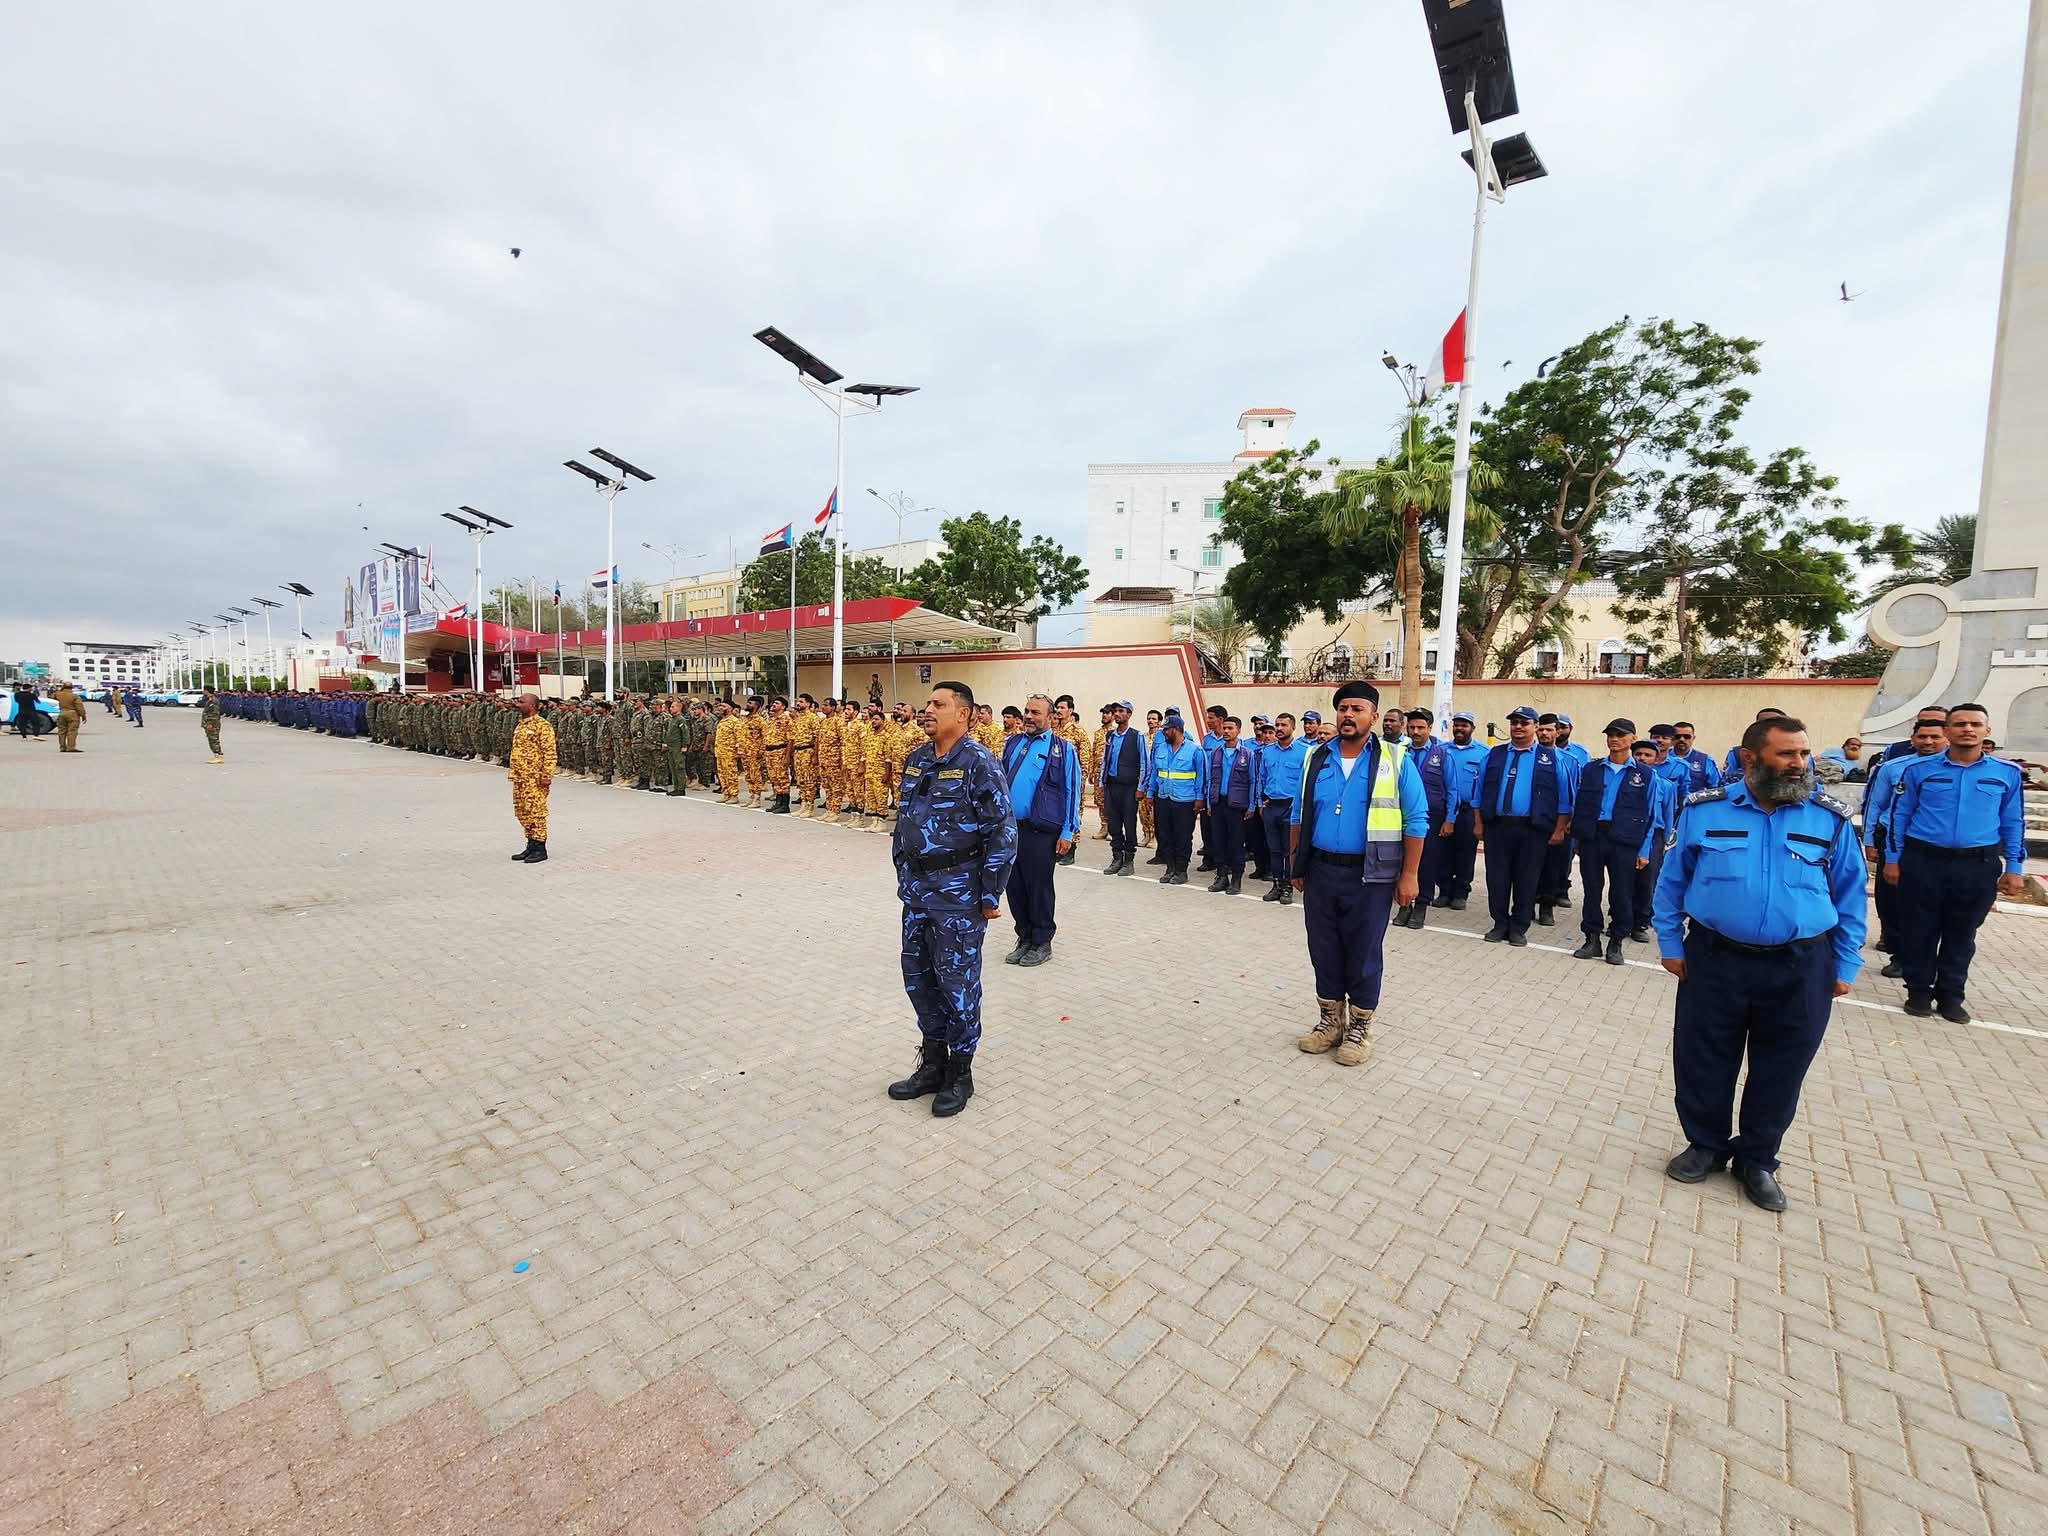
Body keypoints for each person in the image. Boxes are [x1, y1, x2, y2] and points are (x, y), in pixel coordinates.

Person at [1655, 715, 1865, 1213]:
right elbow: (1672, 882)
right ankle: (1705, 1144)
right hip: (1715, 957)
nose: (1801, 764)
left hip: (1802, 964)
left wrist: (1846, 964)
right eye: (1787, 754)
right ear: (1750, 759)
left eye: (1804, 753)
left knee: (1782, 1066)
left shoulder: (1827, 817)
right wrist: (1671, 943)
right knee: (1703, 1056)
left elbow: (1853, 897)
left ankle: (1757, 1159)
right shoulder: (1704, 812)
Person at [887, 680, 1017, 1119]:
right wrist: (903, 871)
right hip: (919, 893)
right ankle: (933, 1062)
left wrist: (988, 892)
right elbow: (904, 819)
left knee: (957, 983)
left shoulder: (978, 762)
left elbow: (1003, 830)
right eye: (927, 703)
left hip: (958, 895)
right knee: (919, 979)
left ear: (962, 714)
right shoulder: (918, 758)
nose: (928, 710)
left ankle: (961, 1072)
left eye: (938, 704)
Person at [1290, 682, 1428, 1068]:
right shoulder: (1316, 757)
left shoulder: (1396, 759)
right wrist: (1296, 864)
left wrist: (1410, 875)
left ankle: (1360, 1027)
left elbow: (1417, 820)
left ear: (1374, 716)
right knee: (1324, 948)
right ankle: (1330, 1022)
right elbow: (1299, 815)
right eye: (1343, 708)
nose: (1348, 715)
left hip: (1372, 876)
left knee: (1364, 951)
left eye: (1357, 709)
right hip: (1321, 870)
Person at [1883, 703, 2027, 1022]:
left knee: (1962, 934)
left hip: (1977, 865)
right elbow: (1900, 815)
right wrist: (1893, 859)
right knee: (1919, 931)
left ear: (1987, 731)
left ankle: (1951, 996)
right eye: (1959, 724)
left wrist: (2015, 867)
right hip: (1924, 861)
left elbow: (2013, 821)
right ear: (1947, 732)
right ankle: (1918, 992)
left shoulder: (2006, 774)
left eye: (1975, 724)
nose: (1967, 729)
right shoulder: (1918, 770)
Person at [1472, 706, 1575, 945]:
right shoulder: (1494, 755)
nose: (1518, 727)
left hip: (1533, 829)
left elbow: (1564, 800)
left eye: (1524, 723)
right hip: (1498, 827)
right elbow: (1478, 792)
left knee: (1526, 879)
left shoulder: (1551, 758)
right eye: (1514, 722)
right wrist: (1478, 823)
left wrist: (1559, 829)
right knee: (1497, 878)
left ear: (1536, 727)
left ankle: (1519, 927)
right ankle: (1499, 923)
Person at [1862, 714, 1949, 976]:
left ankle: (1928, 956)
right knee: (1891, 903)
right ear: (1912, 739)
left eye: (1935, 736)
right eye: (1922, 736)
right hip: (1892, 841)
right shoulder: (1892, 768)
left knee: (1931, 904)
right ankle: (1899, 954)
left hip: (1934, 846)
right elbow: (1875, 804)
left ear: (1947, 738)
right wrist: (1869, 840)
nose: (1928, 741)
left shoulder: (1954, 770)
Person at [1569, 720, 1659, 965]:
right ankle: (1591, 939)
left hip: (1625, 840)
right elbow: (1580, 805)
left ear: (1632, 738)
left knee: (1621, 893)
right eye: (1610, 735)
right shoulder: (1592, 769)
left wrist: (1644, 849)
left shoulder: (1645, 774)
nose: (1614, 739)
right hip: (1593, 836)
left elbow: (1651, 814)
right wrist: (1577, 838)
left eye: (1620, 735)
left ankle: (1616, 942)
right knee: (1591, 891)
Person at [1000, 693, 1080, 966]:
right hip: (1011, 830)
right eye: (1026, 711)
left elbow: (1072, 790)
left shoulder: (1063, 749)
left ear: (1051, 717)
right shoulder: (1012, 744)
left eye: (1035, 712)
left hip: (1041, 832)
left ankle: (1042, 941)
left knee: (1039, 887)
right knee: (1015, 886)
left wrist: (1068, 831)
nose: (1029, 717)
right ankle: (1024, 937)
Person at [1393, 709, 1460, 929]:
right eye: (1411, 727)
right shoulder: (1400, 753)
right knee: (1404, 860)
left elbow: (1452, 789)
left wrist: (1450, 819)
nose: (1415, 732)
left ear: (1430, 729)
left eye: (1420, 727)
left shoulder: (1442, 755)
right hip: (1402, 815)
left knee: (1427, 863)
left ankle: (1421, 905)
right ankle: (1405, 906)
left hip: (1432, 816)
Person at [1432, 711, 1487, 909]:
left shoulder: (1483, 752)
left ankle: (1461, 893)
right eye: (1457, 724)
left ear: (1472, 728)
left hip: (1468, 812)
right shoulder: (1441, 750)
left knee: (1466, 852)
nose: (1460, 728)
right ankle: (1444, 891)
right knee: (1443, 852)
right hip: (1445, 811)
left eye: (1464, 725)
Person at [1146, 712, 1206, 884]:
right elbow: (1154, 773)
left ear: (1176, 730)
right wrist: (1151, 793)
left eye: (1166, 730)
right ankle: (1170, 868)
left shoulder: (1195, 750)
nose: (1163, 733)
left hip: (1185, 801)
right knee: (1165, 836)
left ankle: (1181, 870)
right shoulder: (1161, 748)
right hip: (1163, 798)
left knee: (1183, 837)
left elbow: (1202, 776)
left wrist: (1199, 798)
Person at [1258, 712, 1311, 905]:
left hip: (1291, 807)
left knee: (1289, 850)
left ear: (1293, 728)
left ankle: (1288, 886)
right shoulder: (1267, 751)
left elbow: (1307, 783)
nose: (1279, 729)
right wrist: (1260, 803)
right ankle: (1276, 884)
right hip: (1271, 806)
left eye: (1283, 725)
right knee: (1274, 850)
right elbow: (1261, 778)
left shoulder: (1305, 752)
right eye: (1277, 725)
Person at [1204, 716, 1256, 894]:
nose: (1226, 732)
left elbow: (1252, 781)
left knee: (1236, 843)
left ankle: (1236, 879)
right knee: (1219, 841)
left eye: (1230, 728)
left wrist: (1251, 806)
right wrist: (1209, 802)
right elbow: (1210, 778)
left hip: (1237, 805)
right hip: (1218, 803)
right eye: (1225, 728)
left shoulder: (1247, 754)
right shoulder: (1216, 752)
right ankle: (1221, 876)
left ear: (1238, 730)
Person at [507, 692, 557, 863]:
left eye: (521, 702)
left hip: (535, 778)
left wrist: (546, 775)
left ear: (532, 706)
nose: (517, 704)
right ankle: (531, 844)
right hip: (520, 777)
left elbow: (549, 752)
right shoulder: (521, 725)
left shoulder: (542, 725)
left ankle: (540, 847)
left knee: (536, 812)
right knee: (522, 811)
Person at [1097, 700, 1144, 875]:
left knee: (1129, 824)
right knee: (1114, 824)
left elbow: (1144, 763)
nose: (1117, 714)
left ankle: (1129, 860)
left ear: (1129, 714)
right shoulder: (1110, 736)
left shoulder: (1136, 736)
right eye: (1115, 711)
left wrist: (1141, 787)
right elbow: (1105, 759)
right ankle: (1117, 858)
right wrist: (1102, 782)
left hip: (1129, 788)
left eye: (1121, 711)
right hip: (1112, 786)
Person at [1670, 723, 1721, 794]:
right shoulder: (1663, 758)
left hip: (1695, 804)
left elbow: (1716, 788)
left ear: (1693, 738)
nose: (1682, 739)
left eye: (1687, 736)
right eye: (1677, 736)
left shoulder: (1706, 760)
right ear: (1672, 738)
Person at [54, 682, 85, 753]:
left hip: (62, 713)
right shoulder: (74, 696)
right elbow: (79, 707)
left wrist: (61, 689)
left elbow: (52, 696)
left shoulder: (58, 694)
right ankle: (70, 747)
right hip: (72, 714)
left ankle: (62, 747)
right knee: (72, 731)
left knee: (61, 731)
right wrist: (83, 715)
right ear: (72, 687)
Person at [200, 686, 223, 763]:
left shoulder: (213, 701)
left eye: (204, 690)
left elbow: (214, 714)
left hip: (213, 724)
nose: (203, 692)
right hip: (209, 723)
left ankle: (219, 756)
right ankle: (216, 755)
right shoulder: (209, 700)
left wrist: (210, 724)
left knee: (214, 739)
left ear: (207, 691)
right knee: (211, 739)